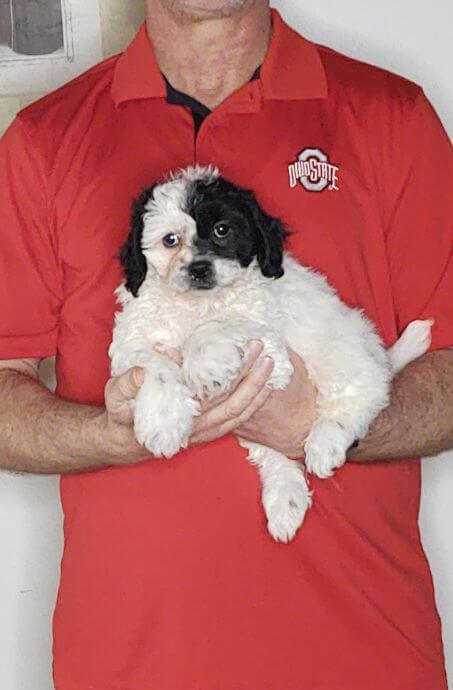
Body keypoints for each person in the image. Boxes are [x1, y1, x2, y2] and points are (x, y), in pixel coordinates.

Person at [0, 0, 452, 688]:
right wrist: (111, 435)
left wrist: (326, 425)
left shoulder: (389, 114)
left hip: (361, 647)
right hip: (131, 657)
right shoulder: (45, 137)